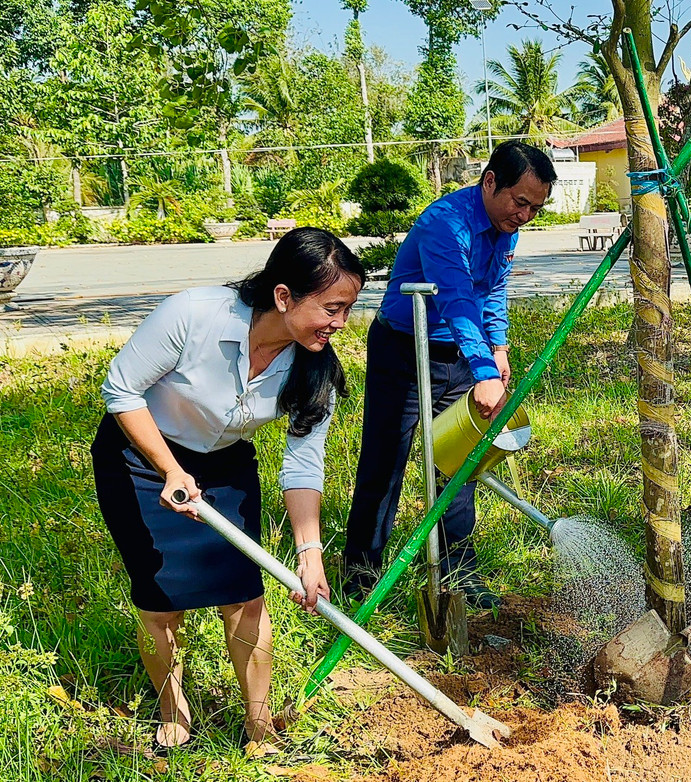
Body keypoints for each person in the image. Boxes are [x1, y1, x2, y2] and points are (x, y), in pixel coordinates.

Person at [93, 227, 364, 751]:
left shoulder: (314, 372)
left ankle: (258, 723)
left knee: (245, 597)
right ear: (283, 296)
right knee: (159, 602)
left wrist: (310, 554)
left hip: (224, 466)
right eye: (332, 308)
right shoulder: (193, 315)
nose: (341, 323)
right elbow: (121, 390)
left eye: (348, 309)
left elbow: (303, 465)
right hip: (139, 457)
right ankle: (173, 709)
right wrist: (170, 470)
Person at [342, 141, 557, 608]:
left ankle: (459, 570)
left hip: (461, 354)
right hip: (404, 349)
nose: (525, 216)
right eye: (520, 203)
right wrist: (485, 371)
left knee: (458, 461)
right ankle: (361, 576)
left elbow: (492, 289)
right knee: (386, 462)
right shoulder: (445, 224)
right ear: (490, 181)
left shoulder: (506, 227)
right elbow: (456, 298)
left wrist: (498, 348)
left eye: (535, 209)